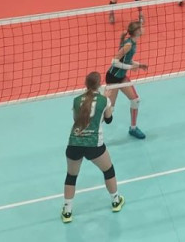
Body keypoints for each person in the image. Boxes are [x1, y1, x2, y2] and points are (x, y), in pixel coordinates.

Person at [61, 72, 125, 223]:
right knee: (108, 170)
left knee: (71, 176)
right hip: (93, 145)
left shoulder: (76, 100)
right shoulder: (104, 100)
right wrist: (107, 101)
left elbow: (77, 120)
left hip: (74, 143)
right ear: (99, 84)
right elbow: (108, 120)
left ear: (86, 84)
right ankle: (116, 201)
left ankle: (67, 212)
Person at [105, 19, 149, 139]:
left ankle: (133, 128)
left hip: (121, 77)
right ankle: (92, 131)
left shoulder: (133, 43)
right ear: (137, 31)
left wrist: (139, 65)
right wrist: (130, 67)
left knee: (135, 100)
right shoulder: (129, 45)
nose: (144, 28)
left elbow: (127, 60)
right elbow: (114, 61)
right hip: (113, 78)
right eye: (142, 27)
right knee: (109, 111)